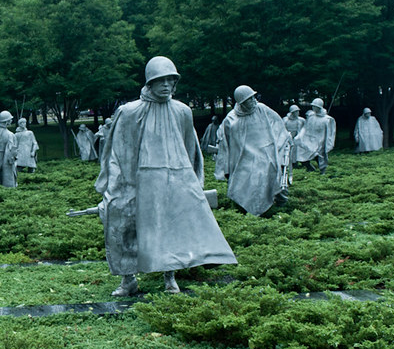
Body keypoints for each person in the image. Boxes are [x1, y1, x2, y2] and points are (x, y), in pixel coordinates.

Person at [95, 56, 236, 296]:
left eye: (171, 80)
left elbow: (190, 149)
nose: (167, 85)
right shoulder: (129, 112)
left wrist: (192, 183)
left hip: (174, 181)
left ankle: (170, 276)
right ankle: (127, 280)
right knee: (125, 225)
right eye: (161, 80)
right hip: (136, 181)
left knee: (171, 228)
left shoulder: (182, 111)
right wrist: (117, 185)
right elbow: (119, 151)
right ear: (150, 82)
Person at [214, 85, 292, 216]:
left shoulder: (262, 109)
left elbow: (277, 124)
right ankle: (247, 208)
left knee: (271, 173)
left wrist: (284, 139)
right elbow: (226, 142)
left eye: (253, 97)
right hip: (244, 157)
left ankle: (279, 204)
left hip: (266, 153)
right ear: (241, 102)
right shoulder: (231, 119)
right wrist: (227, 165)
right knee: (243, 181)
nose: (253, 101)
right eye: (249, 99)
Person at [294, 97, 336, 173]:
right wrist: (300, 136)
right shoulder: (311, 117)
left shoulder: (327, 119)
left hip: (320, 141)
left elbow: (330, 133)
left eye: (315, 106)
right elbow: (305, 128)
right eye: (313, 106)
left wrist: (328, 143)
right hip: (309, 140)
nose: (313, 108)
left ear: (319, 107)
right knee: (301, 152)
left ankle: (323, 170)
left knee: (319, 156)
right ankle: (309, 167)